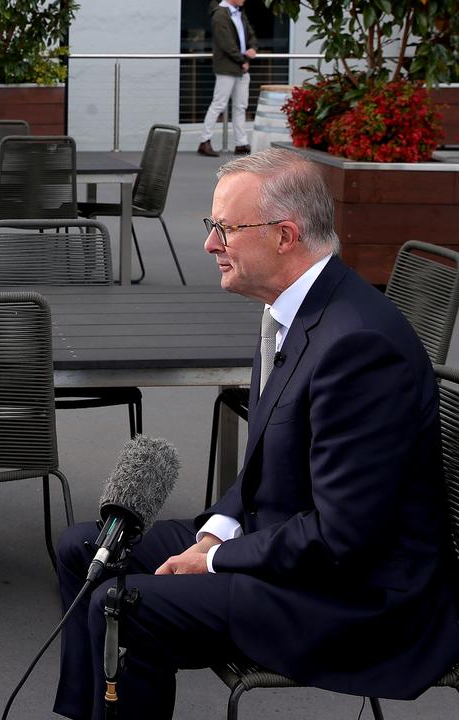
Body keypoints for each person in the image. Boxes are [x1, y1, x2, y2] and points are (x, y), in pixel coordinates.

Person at [51, 148, 459, 719]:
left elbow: (344, 538)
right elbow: (266, 466)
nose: (209, 244)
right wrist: (218, 532)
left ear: (285, 235)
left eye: (223, 228)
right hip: (287, 545)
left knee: (126, 606)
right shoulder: (289, 310)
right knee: (86, 549)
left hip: (352, 598)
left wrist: (219, 561)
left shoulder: (360, 346)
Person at [198, 0, 257, 157]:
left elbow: (250, 34)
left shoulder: (239, 11)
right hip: (227, 67)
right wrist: (242, 60)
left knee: (240, 106)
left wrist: (253, 48)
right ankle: (205, 141)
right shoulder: (220, 14)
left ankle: (241, 143)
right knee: (219, 104)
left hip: (241, 67)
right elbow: (226, 44)